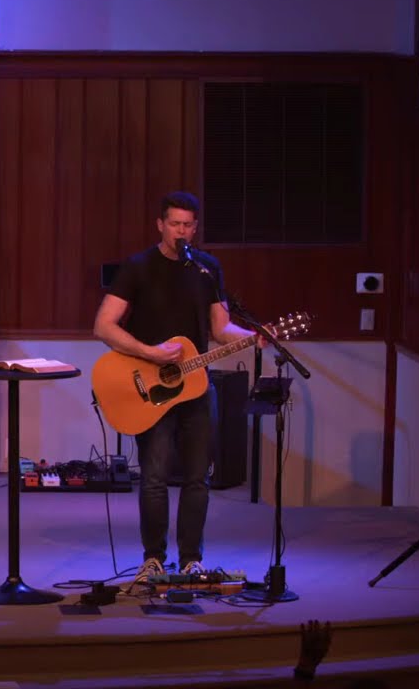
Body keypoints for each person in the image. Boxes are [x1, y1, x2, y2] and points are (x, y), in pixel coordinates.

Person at [93, 191, 258, 584]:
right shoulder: (138, 267)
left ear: (195, 228)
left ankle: (190, 560)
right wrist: (149, 352)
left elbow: (221, 329)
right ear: (160, 225)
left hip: (196, 386)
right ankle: (153, 558)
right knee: (153, 477)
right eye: (174, 224)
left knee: (198, 477)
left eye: (187, 225)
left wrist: (255, 337)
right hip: (150, 386)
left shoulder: (206, 269)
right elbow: (104, 326)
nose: (181, 231)